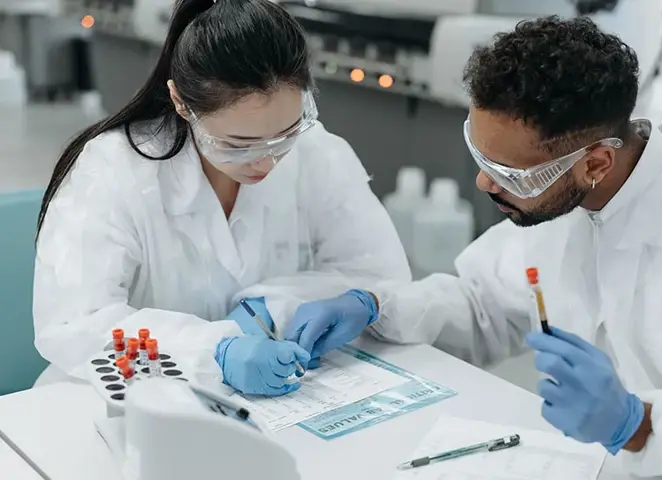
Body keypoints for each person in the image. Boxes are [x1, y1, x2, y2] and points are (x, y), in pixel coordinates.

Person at [283, 16, 662, 480]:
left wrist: (639, 425)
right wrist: (376, 308)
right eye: (479, 153)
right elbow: (480, 305)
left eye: (511, 174)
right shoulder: (565, 200)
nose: (485, 183)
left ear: (596, 163)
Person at [33, 0, 410, 396]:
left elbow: (380, 277)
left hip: (279, 407)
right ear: (181, 102)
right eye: (239, 144)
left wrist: (275, 305)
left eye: (285, 135)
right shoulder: (112, 170)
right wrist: (213, 352)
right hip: (120, 405)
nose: (265, 162)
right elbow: (75, 324)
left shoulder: (318, 153)